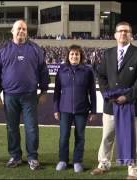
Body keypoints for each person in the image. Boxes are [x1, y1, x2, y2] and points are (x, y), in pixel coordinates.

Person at [90, 21, 137, 180]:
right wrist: (106, 94)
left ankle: (133, 171)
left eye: (127, 31)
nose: (123, 33)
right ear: (115, 35)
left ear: (131, 35)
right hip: (111, 105)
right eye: (120, 31)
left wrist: (127, 97)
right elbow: (101, 75)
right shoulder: (108, 53)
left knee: (134, 139)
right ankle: (103, 164)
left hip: (132, 105)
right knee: (107, 136)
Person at [0, 19, 50, 171]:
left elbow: (44, 71)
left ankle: (32, 157)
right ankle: (15, 156)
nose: (21, 31)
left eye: (24, 29)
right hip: (10, 95)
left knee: (31, 128)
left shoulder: (36, 49)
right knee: (12, 128)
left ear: (27, 32)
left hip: (30, 95)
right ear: (12, 31)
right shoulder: (3, 50)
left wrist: (44, 91)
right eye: (18, 29)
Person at [53, 45, 98, 173]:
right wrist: (56, 109)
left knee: (80, 136)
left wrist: (93, 111)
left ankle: (77, 161)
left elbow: (93, 93)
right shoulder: (61, 70)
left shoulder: (88, 71)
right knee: (64, 136)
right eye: (72, 54)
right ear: (68, 56)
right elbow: (56, 92)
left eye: (77, 54)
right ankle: (63, 160)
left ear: (81, 56)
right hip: (64, 109)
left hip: (82, 110)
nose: (74, 56)